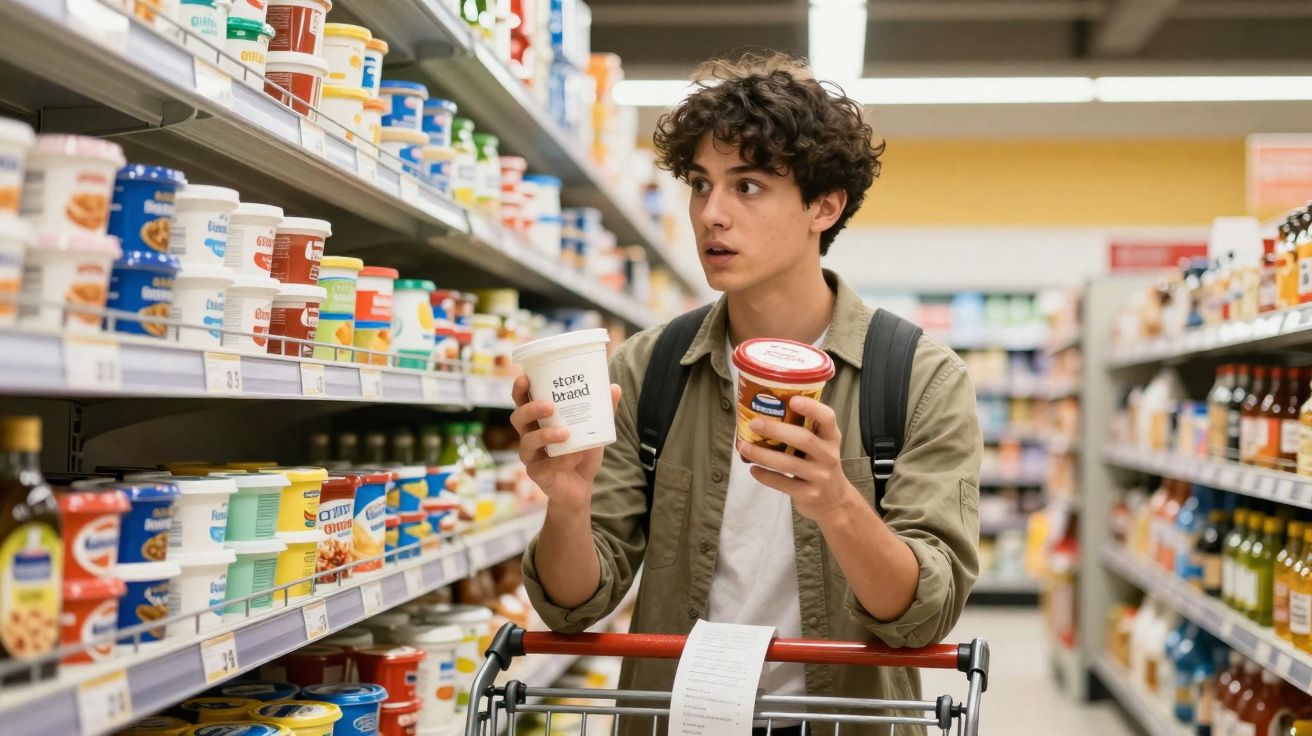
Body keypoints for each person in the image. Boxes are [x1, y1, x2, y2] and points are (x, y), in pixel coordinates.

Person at [510, 51, 981, 736]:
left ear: (825, 205)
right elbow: (575, 605)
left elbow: (923, 615)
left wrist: (837, 503)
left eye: (748, 187)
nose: (711, 215)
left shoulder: (916, 378)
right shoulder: (649, 367)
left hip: (843, 722)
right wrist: (568, 507)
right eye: (700, 185)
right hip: (679, 719)